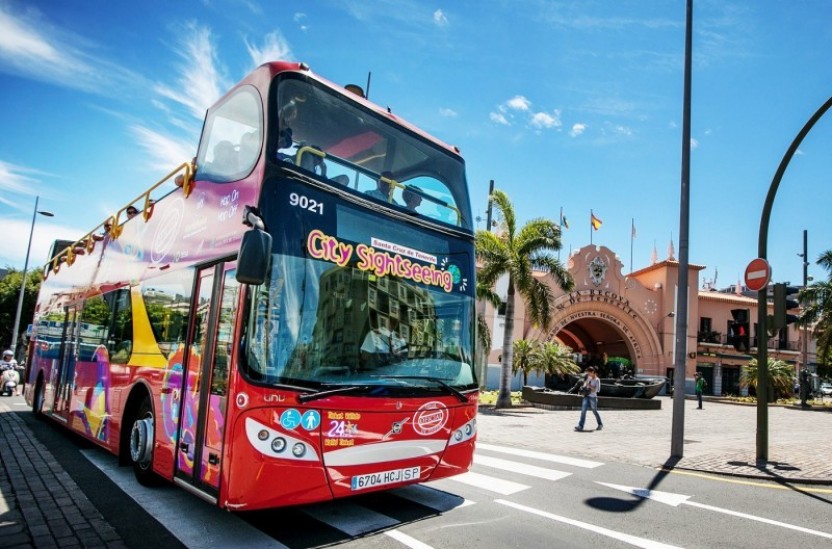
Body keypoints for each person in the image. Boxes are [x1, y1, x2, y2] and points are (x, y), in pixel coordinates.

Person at [575, 366, 603, 432]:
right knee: (583, 411)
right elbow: (585, 384)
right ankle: (580, 426)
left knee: (594, 411)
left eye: (589, 372)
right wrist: (583, 387)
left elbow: (597, 390)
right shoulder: (588, 377)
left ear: (593, 372)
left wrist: (589, 386)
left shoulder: (597, 380)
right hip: (586, 396)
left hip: (593, 398)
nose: (588, 374)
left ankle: (600, 424)